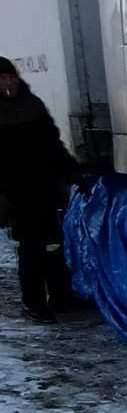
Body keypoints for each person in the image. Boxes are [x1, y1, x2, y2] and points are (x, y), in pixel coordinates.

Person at [0, 58, 80, 322]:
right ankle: (33, 302)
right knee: (31, 247)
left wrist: (72, 172)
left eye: (10, 77)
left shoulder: (31, 105)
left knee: (54, 243)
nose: (8, 83)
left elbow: (53, 144)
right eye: (2, 79)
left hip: (44, 185)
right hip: (15, 192)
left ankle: (60, 296)